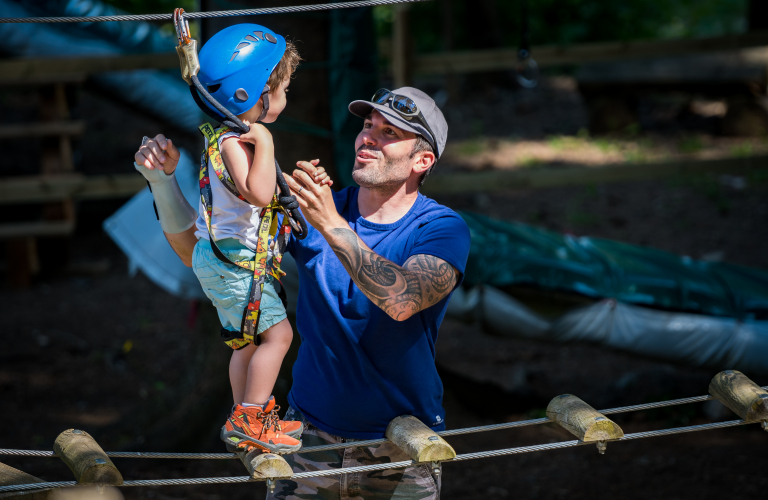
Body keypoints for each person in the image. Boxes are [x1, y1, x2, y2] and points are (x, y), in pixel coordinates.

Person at [135, 86, 470, 499]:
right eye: (368, 126)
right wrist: (162, 182)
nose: (369, 137)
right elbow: (202, 254)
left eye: (390, 132)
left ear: (423, 160)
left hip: (403, 441)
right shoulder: (311, 208)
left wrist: (330, 222)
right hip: (306, 436)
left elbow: (403, 300)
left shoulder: (439, 227)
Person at [135, 24, 330, 456]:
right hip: (235, 260)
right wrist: (266, 141)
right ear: (253, 95)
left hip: (222, 260)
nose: (285, 96)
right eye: (280, 88)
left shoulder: (223, 138)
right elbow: (259, 193)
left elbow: (262, 199)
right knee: (278, 337)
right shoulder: (238, 141)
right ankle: (252, 419)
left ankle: (245, 418)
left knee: (246, 342)